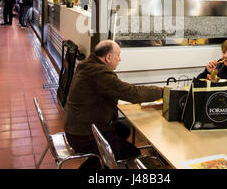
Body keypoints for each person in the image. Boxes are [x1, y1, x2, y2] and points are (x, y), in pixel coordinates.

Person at [64, 40, 163, 169]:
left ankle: (101, 159)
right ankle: (98, 163)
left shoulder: (88, 65)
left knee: (123, 130)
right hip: (84, 134)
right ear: (108, 57)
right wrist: (162, 92)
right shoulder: (98, 73)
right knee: (133, 153)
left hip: (77, 127)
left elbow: (118, 90)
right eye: (118, 55)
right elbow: (132, 94)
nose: (120, 59)